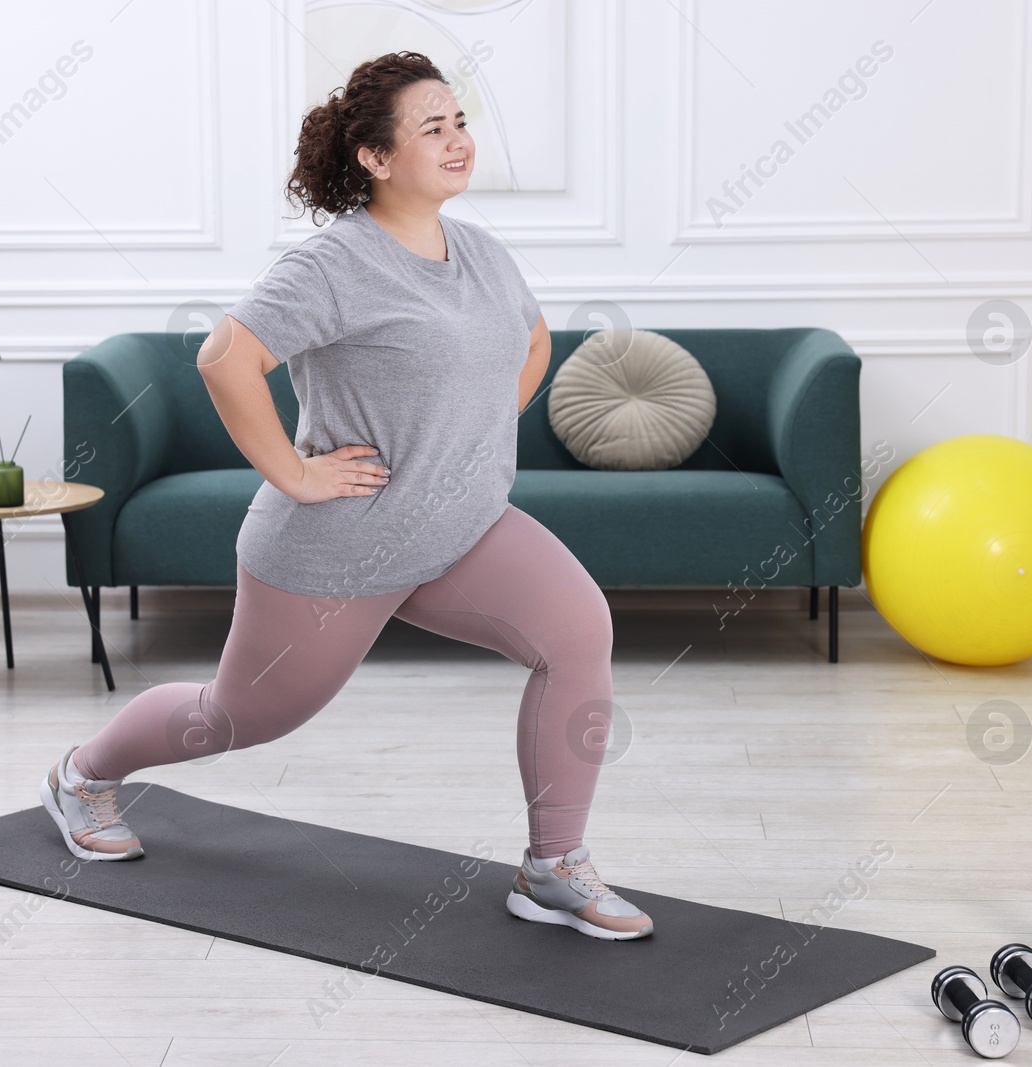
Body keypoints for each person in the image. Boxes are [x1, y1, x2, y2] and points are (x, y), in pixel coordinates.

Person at [40, 51, 652, 941]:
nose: (457, 141)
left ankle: (552, 866)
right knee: (237, 717)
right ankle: (82, 775)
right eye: (431, 127)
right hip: (338, 543)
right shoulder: (336, 264)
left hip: (464, 528)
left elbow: (531, 342)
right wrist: (294, 473)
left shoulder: (478, 249)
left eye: (460, 123)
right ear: (373, 156)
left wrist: (470, 445)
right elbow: (224, 358)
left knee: (579, 630)